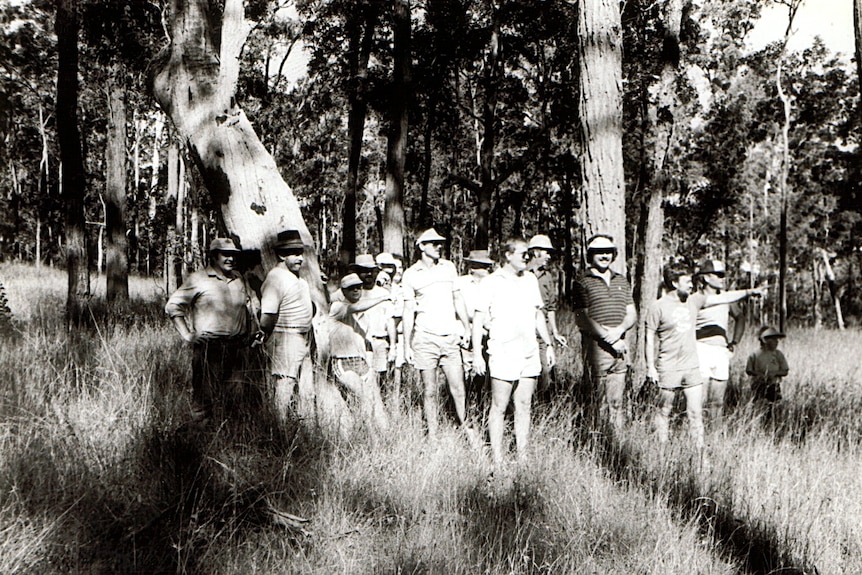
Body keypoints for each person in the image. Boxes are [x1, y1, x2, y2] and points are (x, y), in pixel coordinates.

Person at [645, 263, 762, 449]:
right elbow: (649, 335)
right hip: (671, 363)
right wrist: (650, 366)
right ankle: (662, 450)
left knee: (698, 410)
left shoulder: (694, 300)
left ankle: (701, 452)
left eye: (692, 281)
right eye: (686, 281)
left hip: (694, 364)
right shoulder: (660, 306)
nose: (691, 284)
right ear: (675, 283)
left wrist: (750, 291)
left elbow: (725, 298)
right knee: (665, 409)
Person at [473, 238, 555, 464]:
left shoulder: (530, 280)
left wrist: (548, 344)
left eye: (529, 254)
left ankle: (522, 457)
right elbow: (478, 319)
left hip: (528, 352)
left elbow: (538, 315)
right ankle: (497, 460)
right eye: (522, 253)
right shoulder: (491, 282)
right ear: (508, 255)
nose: (527, 257)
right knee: (499, 406)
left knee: (524, 405)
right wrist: (477, 354)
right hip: (502, 352)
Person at [165, 237, 258, 422]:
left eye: (233, 255)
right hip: (210, 349)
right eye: (225, 255)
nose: (230, 259)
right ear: (214, 257)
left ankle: (228, 443)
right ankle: (199, 442)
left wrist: (251, 334)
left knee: (235, 400)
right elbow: (173, 306)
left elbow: (249, 306)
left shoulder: (238, 278)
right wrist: (187, 334)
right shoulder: (198, 279)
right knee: (203, 400)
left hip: (237, 349)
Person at [401, 228, 471, 439]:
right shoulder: (411, 274)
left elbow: (458, 299)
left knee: (458, 388)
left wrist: (466, 328)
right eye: (433, 243)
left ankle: (467, 428)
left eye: (440, 242)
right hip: (424, 339)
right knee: (429, 390)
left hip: (450, 338)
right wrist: (407, 345)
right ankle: (433, 436)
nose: (439, 246)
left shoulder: (449, 268)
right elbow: (408, 310)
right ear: (421, 246)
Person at [572, 234, 637, 429]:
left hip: (620, 348)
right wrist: (609, 337)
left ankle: (616, 442)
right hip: (597, 349)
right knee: (597, 401)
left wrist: (619, 331)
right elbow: (581, 318)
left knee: (617, 402)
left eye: (608, 252)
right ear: (590, 255)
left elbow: (632, 313)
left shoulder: (622, 281)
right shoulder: (581, 282)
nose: (604, 256)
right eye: (599, 252)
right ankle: (599, 443)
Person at [258, 229, 315, 423]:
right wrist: (264, 335)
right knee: (285, 386)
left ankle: (304, 432)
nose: (299, 258)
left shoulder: (295, 278)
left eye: (300, 253)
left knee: (305, 389)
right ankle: (278, 430)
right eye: (294, 253)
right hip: (286, 337)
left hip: (302, 337)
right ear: (282, 255)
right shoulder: (276, 278)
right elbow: (268, 315)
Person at [328, 273, 391, 430]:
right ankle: (369, 436)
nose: (356, 290)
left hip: (361, 362)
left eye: (359, 287)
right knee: (364, 397)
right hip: (343, 362)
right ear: (343, 291)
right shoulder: (337, 307)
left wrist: (369, 365)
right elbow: (355, 306)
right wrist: (383, 297)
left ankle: (386, 436)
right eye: (351, 288)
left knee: (375, 400)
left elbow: (366, 341)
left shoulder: (363, 316)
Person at [694, 259, 746, 426]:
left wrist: (734, 342)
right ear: (707, 278)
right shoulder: (696, 298)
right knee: (699, 399)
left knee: (717, 401)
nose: (723, 278)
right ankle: (696, 437)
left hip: (721, 351)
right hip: (700, 349)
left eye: (723, 275)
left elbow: (740, 318)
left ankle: (715, 437)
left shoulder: (726, 298)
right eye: (719, 275)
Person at [527, 234, 568, 400]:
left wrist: (555, 332)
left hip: (542, 332)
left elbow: (551, 307)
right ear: (536, 252)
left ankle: (541, 406)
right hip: (524, 330)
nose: (549, 257)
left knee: (546, 371)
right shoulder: (522, 273)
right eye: (546, 252)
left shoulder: (548, 277)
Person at [456, 249, 494, 412]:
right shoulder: (461, 284)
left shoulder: (492, 284)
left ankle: (480, 409)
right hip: (465, 336)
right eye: (481, 266)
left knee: (484, 376)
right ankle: (463, 411)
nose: (485, 270)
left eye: (487, 266)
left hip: (488, 336)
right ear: (471, 266)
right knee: (464, 376)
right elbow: (461, 308)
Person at [350, 254, 396, 389]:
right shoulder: (351, 293)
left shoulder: (384, 294)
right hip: (358, 344)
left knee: (380, 382)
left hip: (380, 342)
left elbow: (390, 320)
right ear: (357, 272)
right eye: (364, 271)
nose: (369, 274)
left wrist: (392, 347)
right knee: (361, 382)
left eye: (372, 271)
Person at [746, 325, 789, 409]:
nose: (776, 342)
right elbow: (749, 370)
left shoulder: (778, 354)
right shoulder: (754, 355)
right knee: (759, 405)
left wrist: (775, 373)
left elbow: (785, 370)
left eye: (777, 339)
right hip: (758, 385)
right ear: (764, 340)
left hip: (774, 385)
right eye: (773, 339)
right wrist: (760, 375)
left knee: (775, 406)